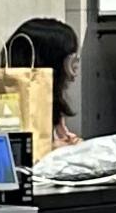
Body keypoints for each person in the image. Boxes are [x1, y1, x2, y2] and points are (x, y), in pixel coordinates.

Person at [6, 16, 83, 150]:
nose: (75, 67)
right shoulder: (8, 103)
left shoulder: (51, 104)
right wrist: (52, 148)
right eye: (71, 60)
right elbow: (16, 152)